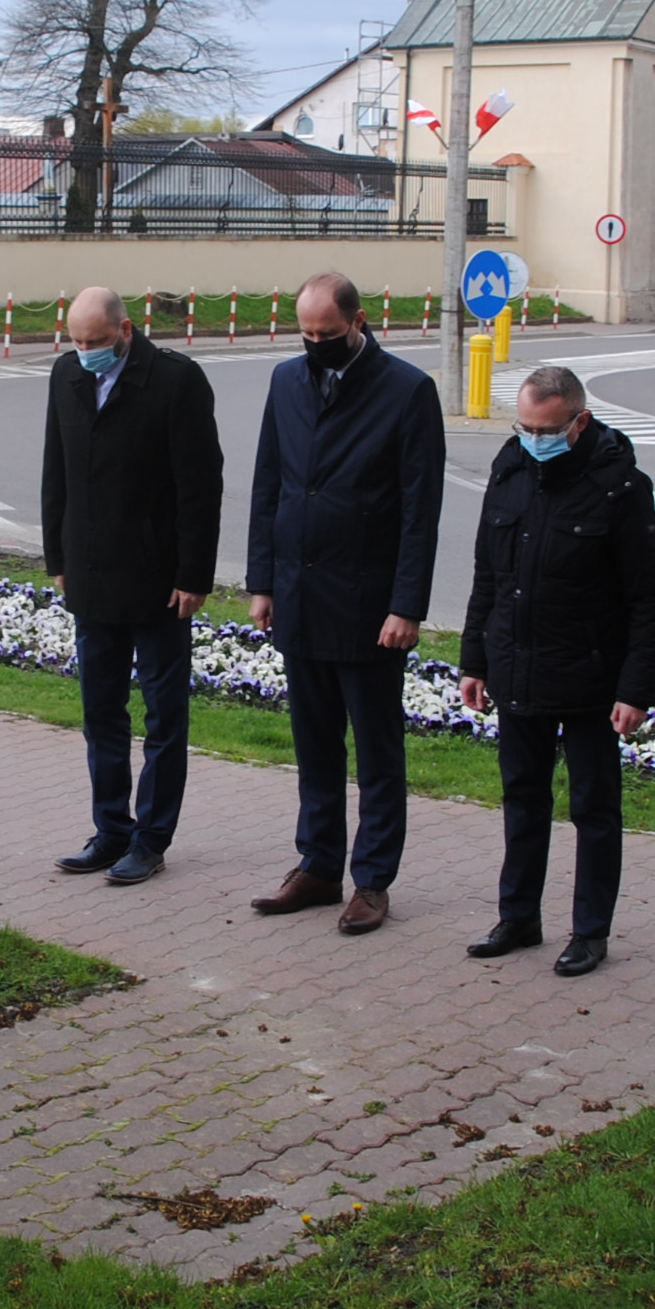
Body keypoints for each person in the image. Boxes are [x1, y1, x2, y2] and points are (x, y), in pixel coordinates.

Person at [457, 366, 655, 977]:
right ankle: (519, 916)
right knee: (522, 800)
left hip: (591, 678)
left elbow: (652, 599)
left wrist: (636, 690)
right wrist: (474, 660)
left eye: (548, 429)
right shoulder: (508, 469)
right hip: (517, 668)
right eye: (525, 427)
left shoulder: (621, 487)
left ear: (579, 422)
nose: (535, 439)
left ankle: (590, 931)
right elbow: (488, 578)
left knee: (593, 809)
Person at [245, 273, 444, 935]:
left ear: (358, 323)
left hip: (370, 608)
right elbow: (268, 482)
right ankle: (318, 865)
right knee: (314, 744)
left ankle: (373, 880)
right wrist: (262, 582)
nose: (316, 345)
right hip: (299, 595)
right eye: (305, 334)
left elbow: (420, 511)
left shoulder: (408, 391)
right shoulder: (286, 381)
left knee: (378, 752)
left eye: (328, 335)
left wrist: (406, 604)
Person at [42, 287, 224, 885]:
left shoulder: (176, 380)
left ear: (126, 330)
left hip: (158, 581)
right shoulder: (66, 375)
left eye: (96, 341)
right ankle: (110, 830)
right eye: (77, 341)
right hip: (90, 575)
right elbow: (56, 472)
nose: (86, 351)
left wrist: (194, 575)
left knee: (163, 717)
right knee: (101, 713)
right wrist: (57, 557)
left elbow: (201, 485)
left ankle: (151, 838)